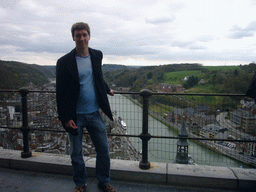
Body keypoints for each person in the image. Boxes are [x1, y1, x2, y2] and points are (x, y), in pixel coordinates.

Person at [56, 22, 116, 192]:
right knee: (76, 153)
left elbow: (97, 76)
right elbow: (60, 93)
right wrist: (65, 118)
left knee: (103, 149)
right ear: (73, 37)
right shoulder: (64, 62)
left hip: (94, 112)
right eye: (78, 35)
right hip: (75, 115)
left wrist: (107, 89)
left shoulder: (97, 55)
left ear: (89, 36)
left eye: (84, 35)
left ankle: (104, 181)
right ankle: (80, 183)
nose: (81, 38)